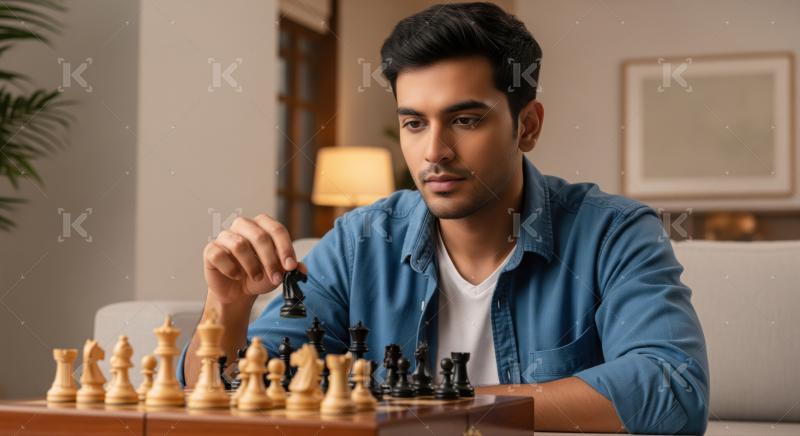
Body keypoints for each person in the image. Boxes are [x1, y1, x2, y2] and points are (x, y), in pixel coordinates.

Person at [179, 2, 708, 433]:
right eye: (413, 123)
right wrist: (226, 308)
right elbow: (230, 394)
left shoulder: (613, 234)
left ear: (527, 126)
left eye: (465, 119)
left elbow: (673, 390)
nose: (434, 151)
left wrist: (442, 404)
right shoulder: (360, 241)